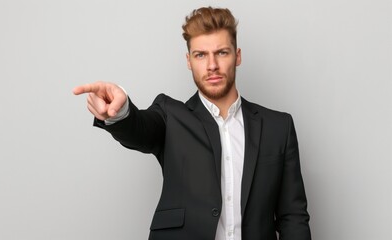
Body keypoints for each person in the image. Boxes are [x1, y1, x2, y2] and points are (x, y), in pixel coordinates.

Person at [73, 6, 311, 240]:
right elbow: (139, 129)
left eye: (222, 52)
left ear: (237, 56)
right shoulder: (170, 116)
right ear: (189, 60)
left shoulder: (278, 127)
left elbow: (293, 217)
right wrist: (121, 111)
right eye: (200, 55)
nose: (212, 66)